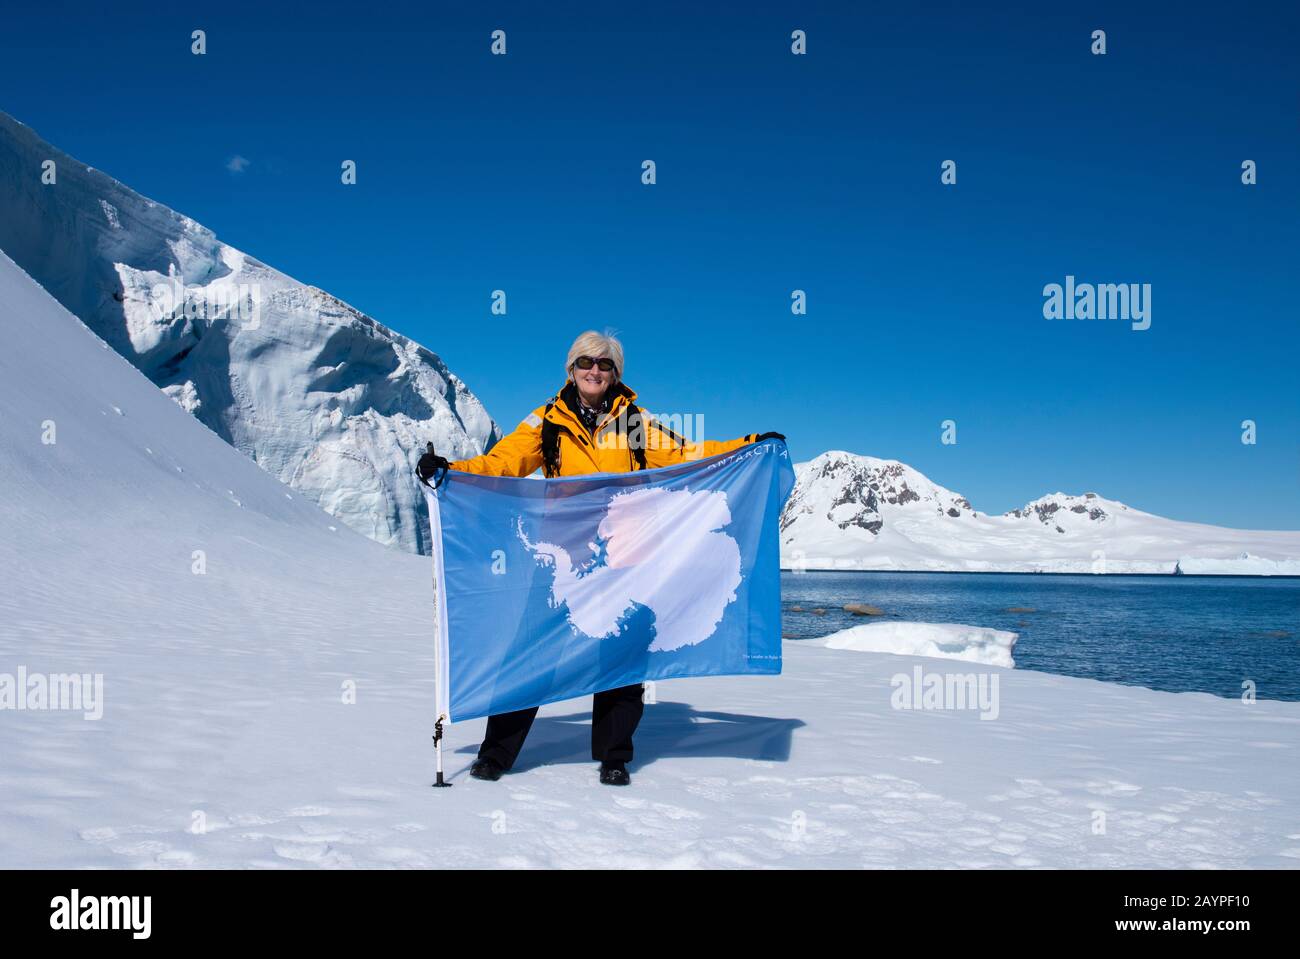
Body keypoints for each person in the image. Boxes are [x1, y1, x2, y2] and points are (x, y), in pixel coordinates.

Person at [417, 331, 783, 786]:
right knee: (530, 651)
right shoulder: (546, 421)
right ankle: (497, 754)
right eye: (586, 362)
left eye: (605, 364)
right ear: (571, 369)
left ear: (615, 373)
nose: (595, 371)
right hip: (561, 554)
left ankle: (614, 756)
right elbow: (503, 462)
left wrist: (748, 444)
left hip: (626, 554)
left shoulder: (633, 420)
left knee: (621, 656)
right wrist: (453, 471)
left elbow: (686, 454)